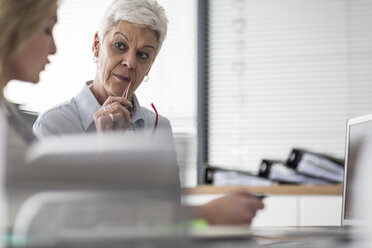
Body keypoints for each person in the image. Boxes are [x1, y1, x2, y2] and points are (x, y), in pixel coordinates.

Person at [32, 0, 264, 226]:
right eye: (119, 46)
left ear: (151, 64)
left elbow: (172, 217)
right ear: (96, 45)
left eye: (143, 55)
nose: (130, 62)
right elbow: (67, 224)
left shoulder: (159, 127)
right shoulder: (53, 126)